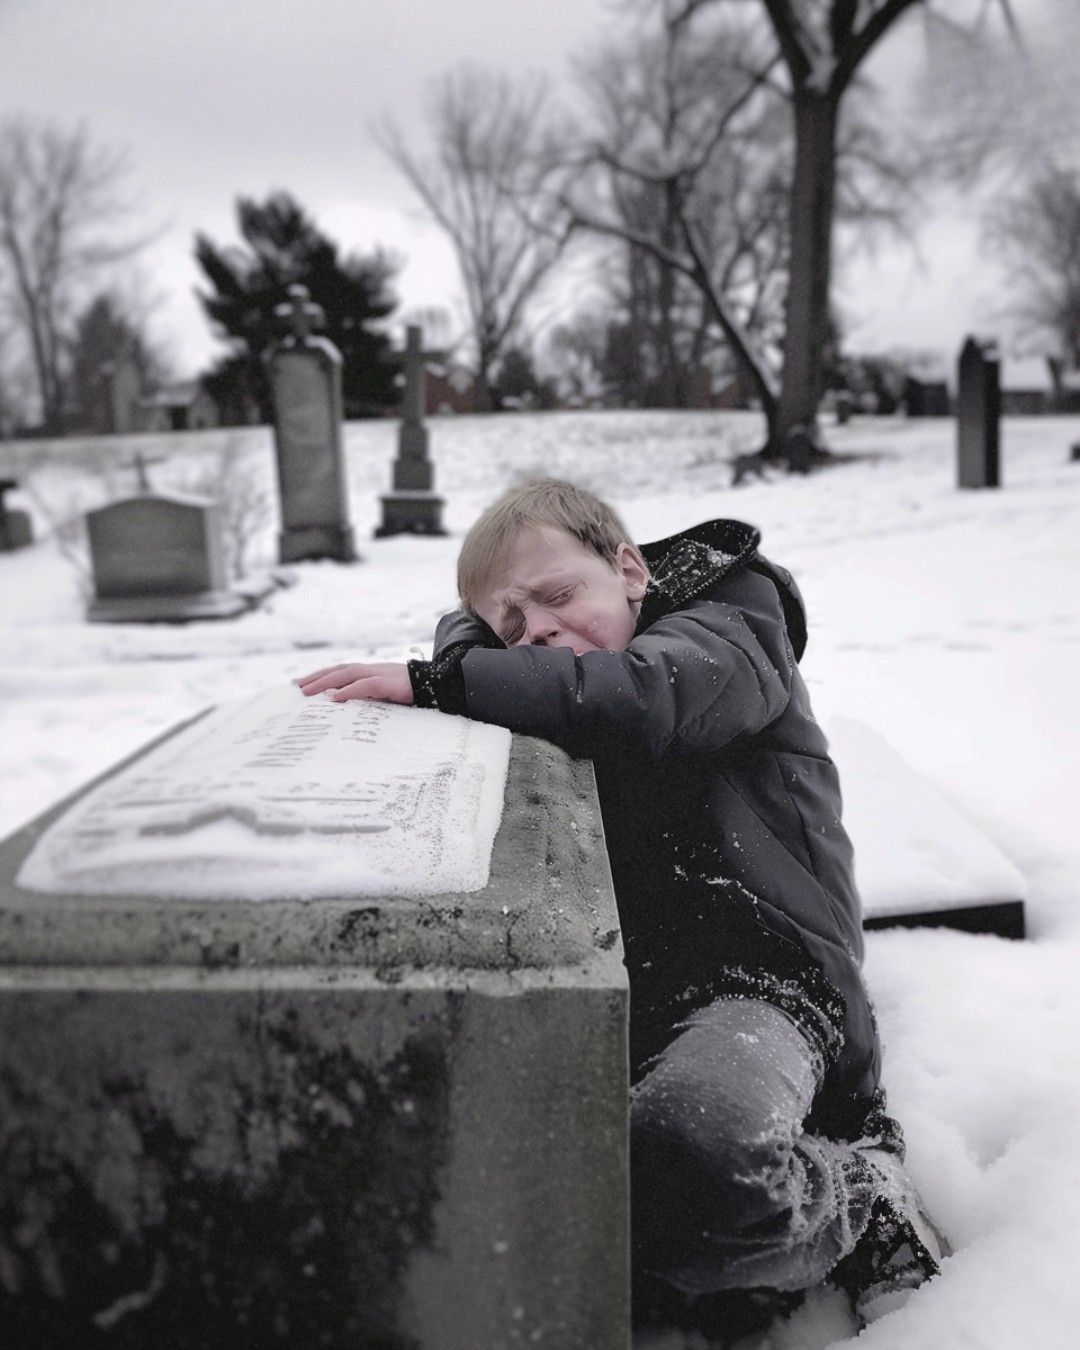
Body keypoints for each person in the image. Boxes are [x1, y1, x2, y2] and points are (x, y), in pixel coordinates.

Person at [297, 479, 949, 1334]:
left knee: (693, 1154)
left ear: (632, 570)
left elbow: (643, 699)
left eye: (560, 597)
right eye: (512, 628)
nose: (539, 634)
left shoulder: (732, 627)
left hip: (770, 985)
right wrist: (475, 641)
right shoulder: (541, 664)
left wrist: (445, 677)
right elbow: (506, 647)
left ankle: (863, 1201)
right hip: (634, 995)